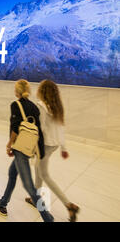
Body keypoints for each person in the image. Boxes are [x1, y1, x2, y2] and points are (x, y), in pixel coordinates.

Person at [0, 79, 54, 222]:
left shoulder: (15, 105)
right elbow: (38, 130)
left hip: (20, 148)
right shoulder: (34, 107)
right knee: (12, 174)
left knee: (29, 187)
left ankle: (48, 218)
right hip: (29, 147)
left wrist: (9, 144)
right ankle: (2, 203)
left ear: (17, 91)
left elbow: (15, 128)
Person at [23, 80, 80, 222]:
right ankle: (35, 198)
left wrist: (31, 146)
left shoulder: (41, 106)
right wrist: (64, 147)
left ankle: (69, 205)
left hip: (44, 145)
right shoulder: (57, 106)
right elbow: (61, 128)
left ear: (42, 92)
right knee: (39, 170)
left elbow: (39, 129)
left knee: (44, 174)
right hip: (54, 144)